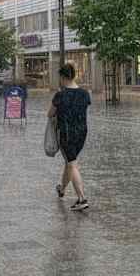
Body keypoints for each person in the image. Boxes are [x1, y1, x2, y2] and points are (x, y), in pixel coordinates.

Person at [48, 63, 91, 211]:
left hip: (66, 133)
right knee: (69, 162)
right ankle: (62, 189)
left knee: (72, 163)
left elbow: (50, 114)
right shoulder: (85, 94)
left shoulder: (60, 95)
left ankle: (81, 198)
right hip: (82, 133)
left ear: (62, 77)